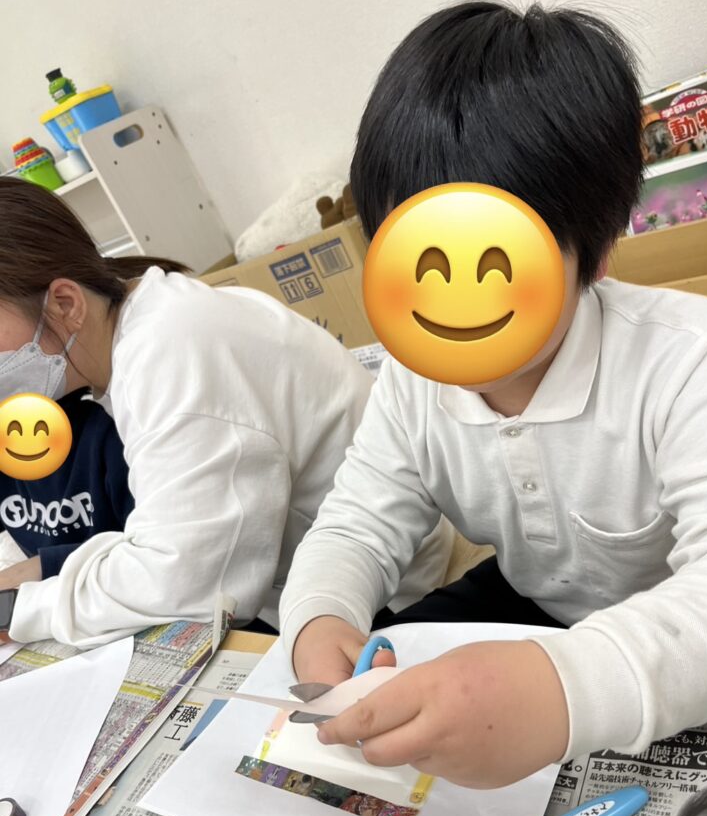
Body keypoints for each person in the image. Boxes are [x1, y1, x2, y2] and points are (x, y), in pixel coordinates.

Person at [279, 2, 707, 788]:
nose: (451, 302)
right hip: (533, 604)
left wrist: (564, 691)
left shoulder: (697, 357)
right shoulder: (410, 382)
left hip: (674, 624)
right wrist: (320, 616)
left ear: (596, 252)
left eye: (493, 265)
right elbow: (356, 523)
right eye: (419, 262)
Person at [0, 177, 451, 647]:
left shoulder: (170, 354)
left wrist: (19, 608)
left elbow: (185, 584)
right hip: (310, 584)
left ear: (65, 304)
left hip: (381, 593)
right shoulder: (139, 332)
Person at [0, 386, 133, 588]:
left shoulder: (108, 435)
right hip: (46, 593)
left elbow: (148, 547)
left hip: (112, 588)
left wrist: (41, 566)